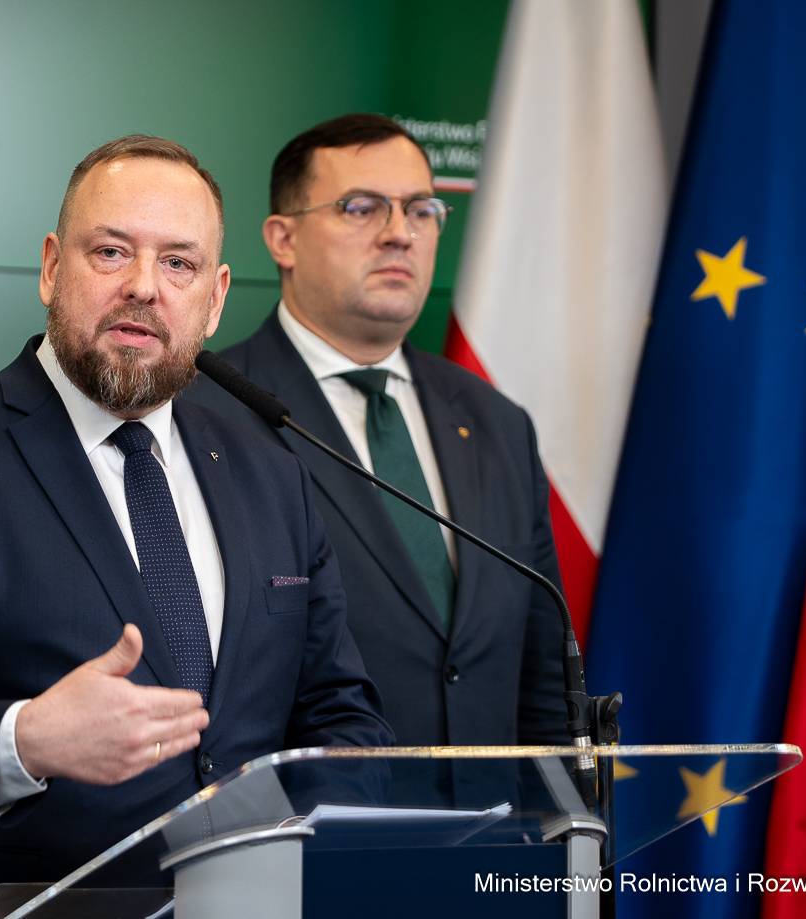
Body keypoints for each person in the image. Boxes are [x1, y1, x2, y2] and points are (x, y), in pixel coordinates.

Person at [0, 134, 392, 917]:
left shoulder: (271, 470)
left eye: (178, 263)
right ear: (53, 267)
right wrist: (25, 738)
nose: (144, 286)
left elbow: (340, 710)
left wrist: (315, 829)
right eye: (111, 252)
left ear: (215, 297)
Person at [194, 114, 567, 782]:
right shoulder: (205, 415)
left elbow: (542, 681)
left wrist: (561, 827)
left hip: (498, 835)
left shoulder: (497, 423)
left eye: (421, 209)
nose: (400, 233)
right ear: (283, 239)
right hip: (312, 832)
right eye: (361, 207)